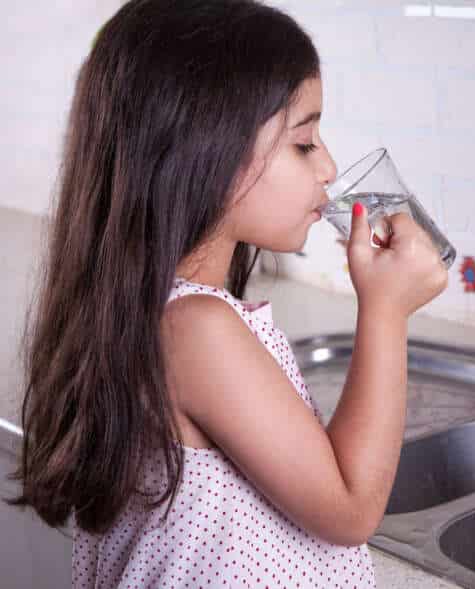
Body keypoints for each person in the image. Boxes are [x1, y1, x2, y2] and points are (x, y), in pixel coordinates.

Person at [7, 0, 448, 587]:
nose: (329, 167)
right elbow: (348, 509)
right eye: (304, 142)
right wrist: (387, 312)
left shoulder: (165, 311)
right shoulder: (195, 327)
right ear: (207, 150)